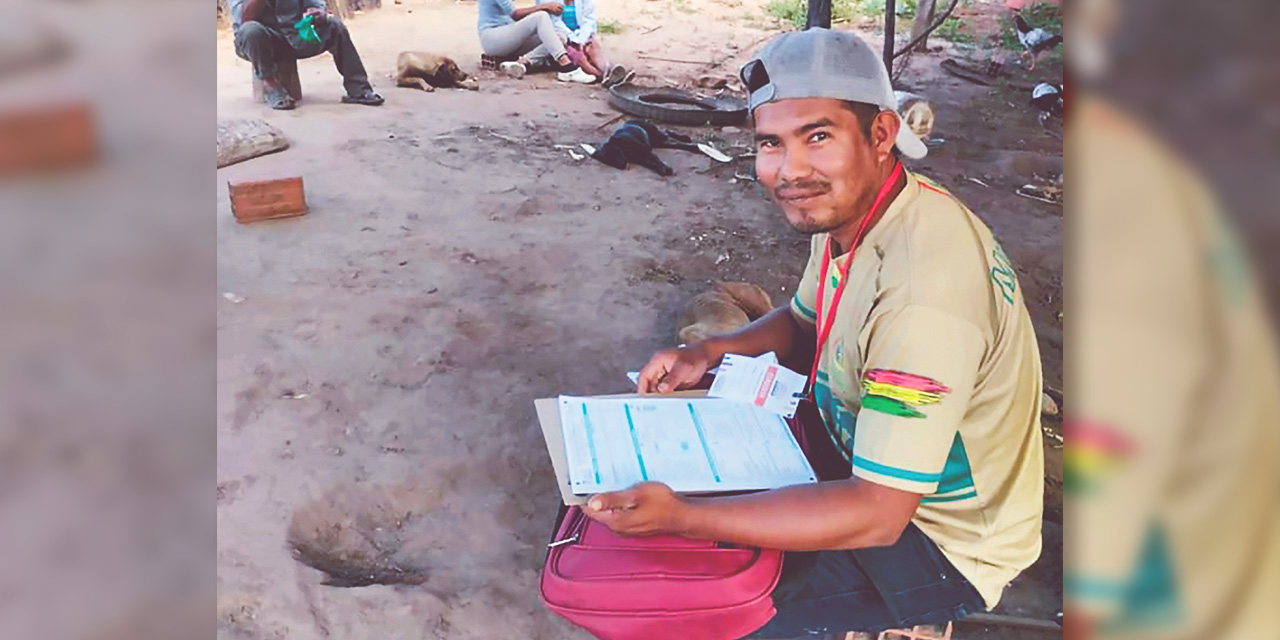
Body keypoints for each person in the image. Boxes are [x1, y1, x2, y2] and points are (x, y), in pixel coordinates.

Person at [587, 29, 1045, 637]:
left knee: (689, 609)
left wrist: (686, 517)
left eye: (818, 137)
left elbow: (878, 514)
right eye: (771, 143)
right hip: (857, 461)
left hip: (938, 540)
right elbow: (805, 322)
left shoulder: (922, 299)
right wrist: (709, 352)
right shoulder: (863, 213)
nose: (790, 171)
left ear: (881, 135)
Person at [229, 0, 383, 110]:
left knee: (335, 27)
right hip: (258, 42)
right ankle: (270, 84)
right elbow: (245, 19)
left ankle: (358, 89)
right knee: (251, 30)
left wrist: (316, 13)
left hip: (295, 37)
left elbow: (315, 5)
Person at [477, 0, 596, 83]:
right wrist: (544, 6)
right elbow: (515, 14)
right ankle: (566, 67)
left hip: (508, 36)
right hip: (492, 37)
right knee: (541, 16)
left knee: (560, 36)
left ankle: (524, 63)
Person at [542, 0, 629, 86]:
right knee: (577, 54)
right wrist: (574, 40)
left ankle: (607, 69)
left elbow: (589, 21)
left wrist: (581, 40)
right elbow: (555, 23)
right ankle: (601, 76)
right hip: (561, 35)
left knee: (593, 46)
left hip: (580, 34)